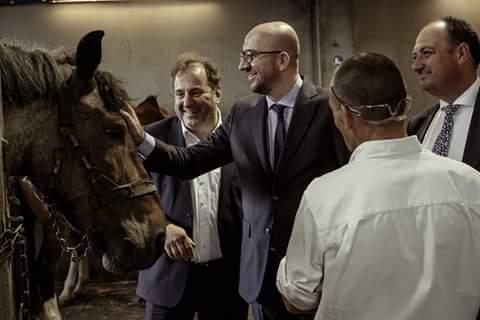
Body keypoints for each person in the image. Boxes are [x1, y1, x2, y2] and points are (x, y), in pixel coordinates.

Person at [122, 21, 349, 320]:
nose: (242, 65)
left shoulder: (329, 107)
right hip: (257, 278)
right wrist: (141, 140)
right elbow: (189, 162)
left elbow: (350, 181)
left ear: (282, 60)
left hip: (314, 271)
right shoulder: (244, 112)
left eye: (250, 55)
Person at [276, 52, 480, 320]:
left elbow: (298, 299)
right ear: (405, 106)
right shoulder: (470, 183)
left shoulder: (324, 195)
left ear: (345, 116)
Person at [135, 53, 248, 320]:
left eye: (196, 92)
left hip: (227, 282)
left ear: (217, 92)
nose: (187, 102)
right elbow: (130, 202)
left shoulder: (245, 135)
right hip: (167, 281)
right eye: (179, 94)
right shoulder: (150, 140)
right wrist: (163, 228)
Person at [409, 16, 480, 169]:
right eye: (414, 56)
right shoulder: (416, 125)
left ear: (461, 54)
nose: (416, 66)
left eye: (426, 53)